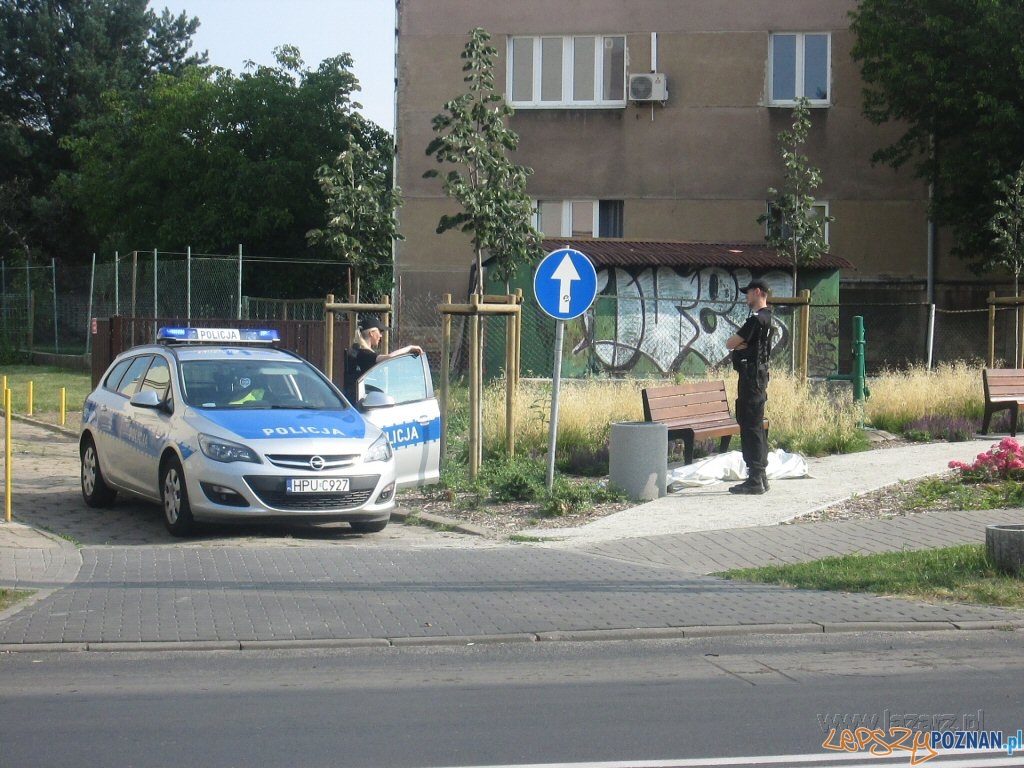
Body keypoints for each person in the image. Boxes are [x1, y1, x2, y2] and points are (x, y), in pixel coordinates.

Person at [725, 279, 774, 495]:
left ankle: (755, 478)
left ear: (757, 292)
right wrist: (742, 344)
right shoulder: (768, 318)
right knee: (754, 422)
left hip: (751, 377)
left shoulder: (756, 320)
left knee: (750, 424)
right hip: (758, 376)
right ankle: (760, 475)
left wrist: (740, 345)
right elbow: (742, 343)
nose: (746, 297)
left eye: (748, 293)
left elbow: (731, 343)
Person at [342, 316, 423, 403]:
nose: (381, 335)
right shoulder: (364, 353)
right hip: (359, 403)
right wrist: (410, 348)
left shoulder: (357, 350)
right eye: (379, 332)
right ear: (371, 333)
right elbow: (389, 357)